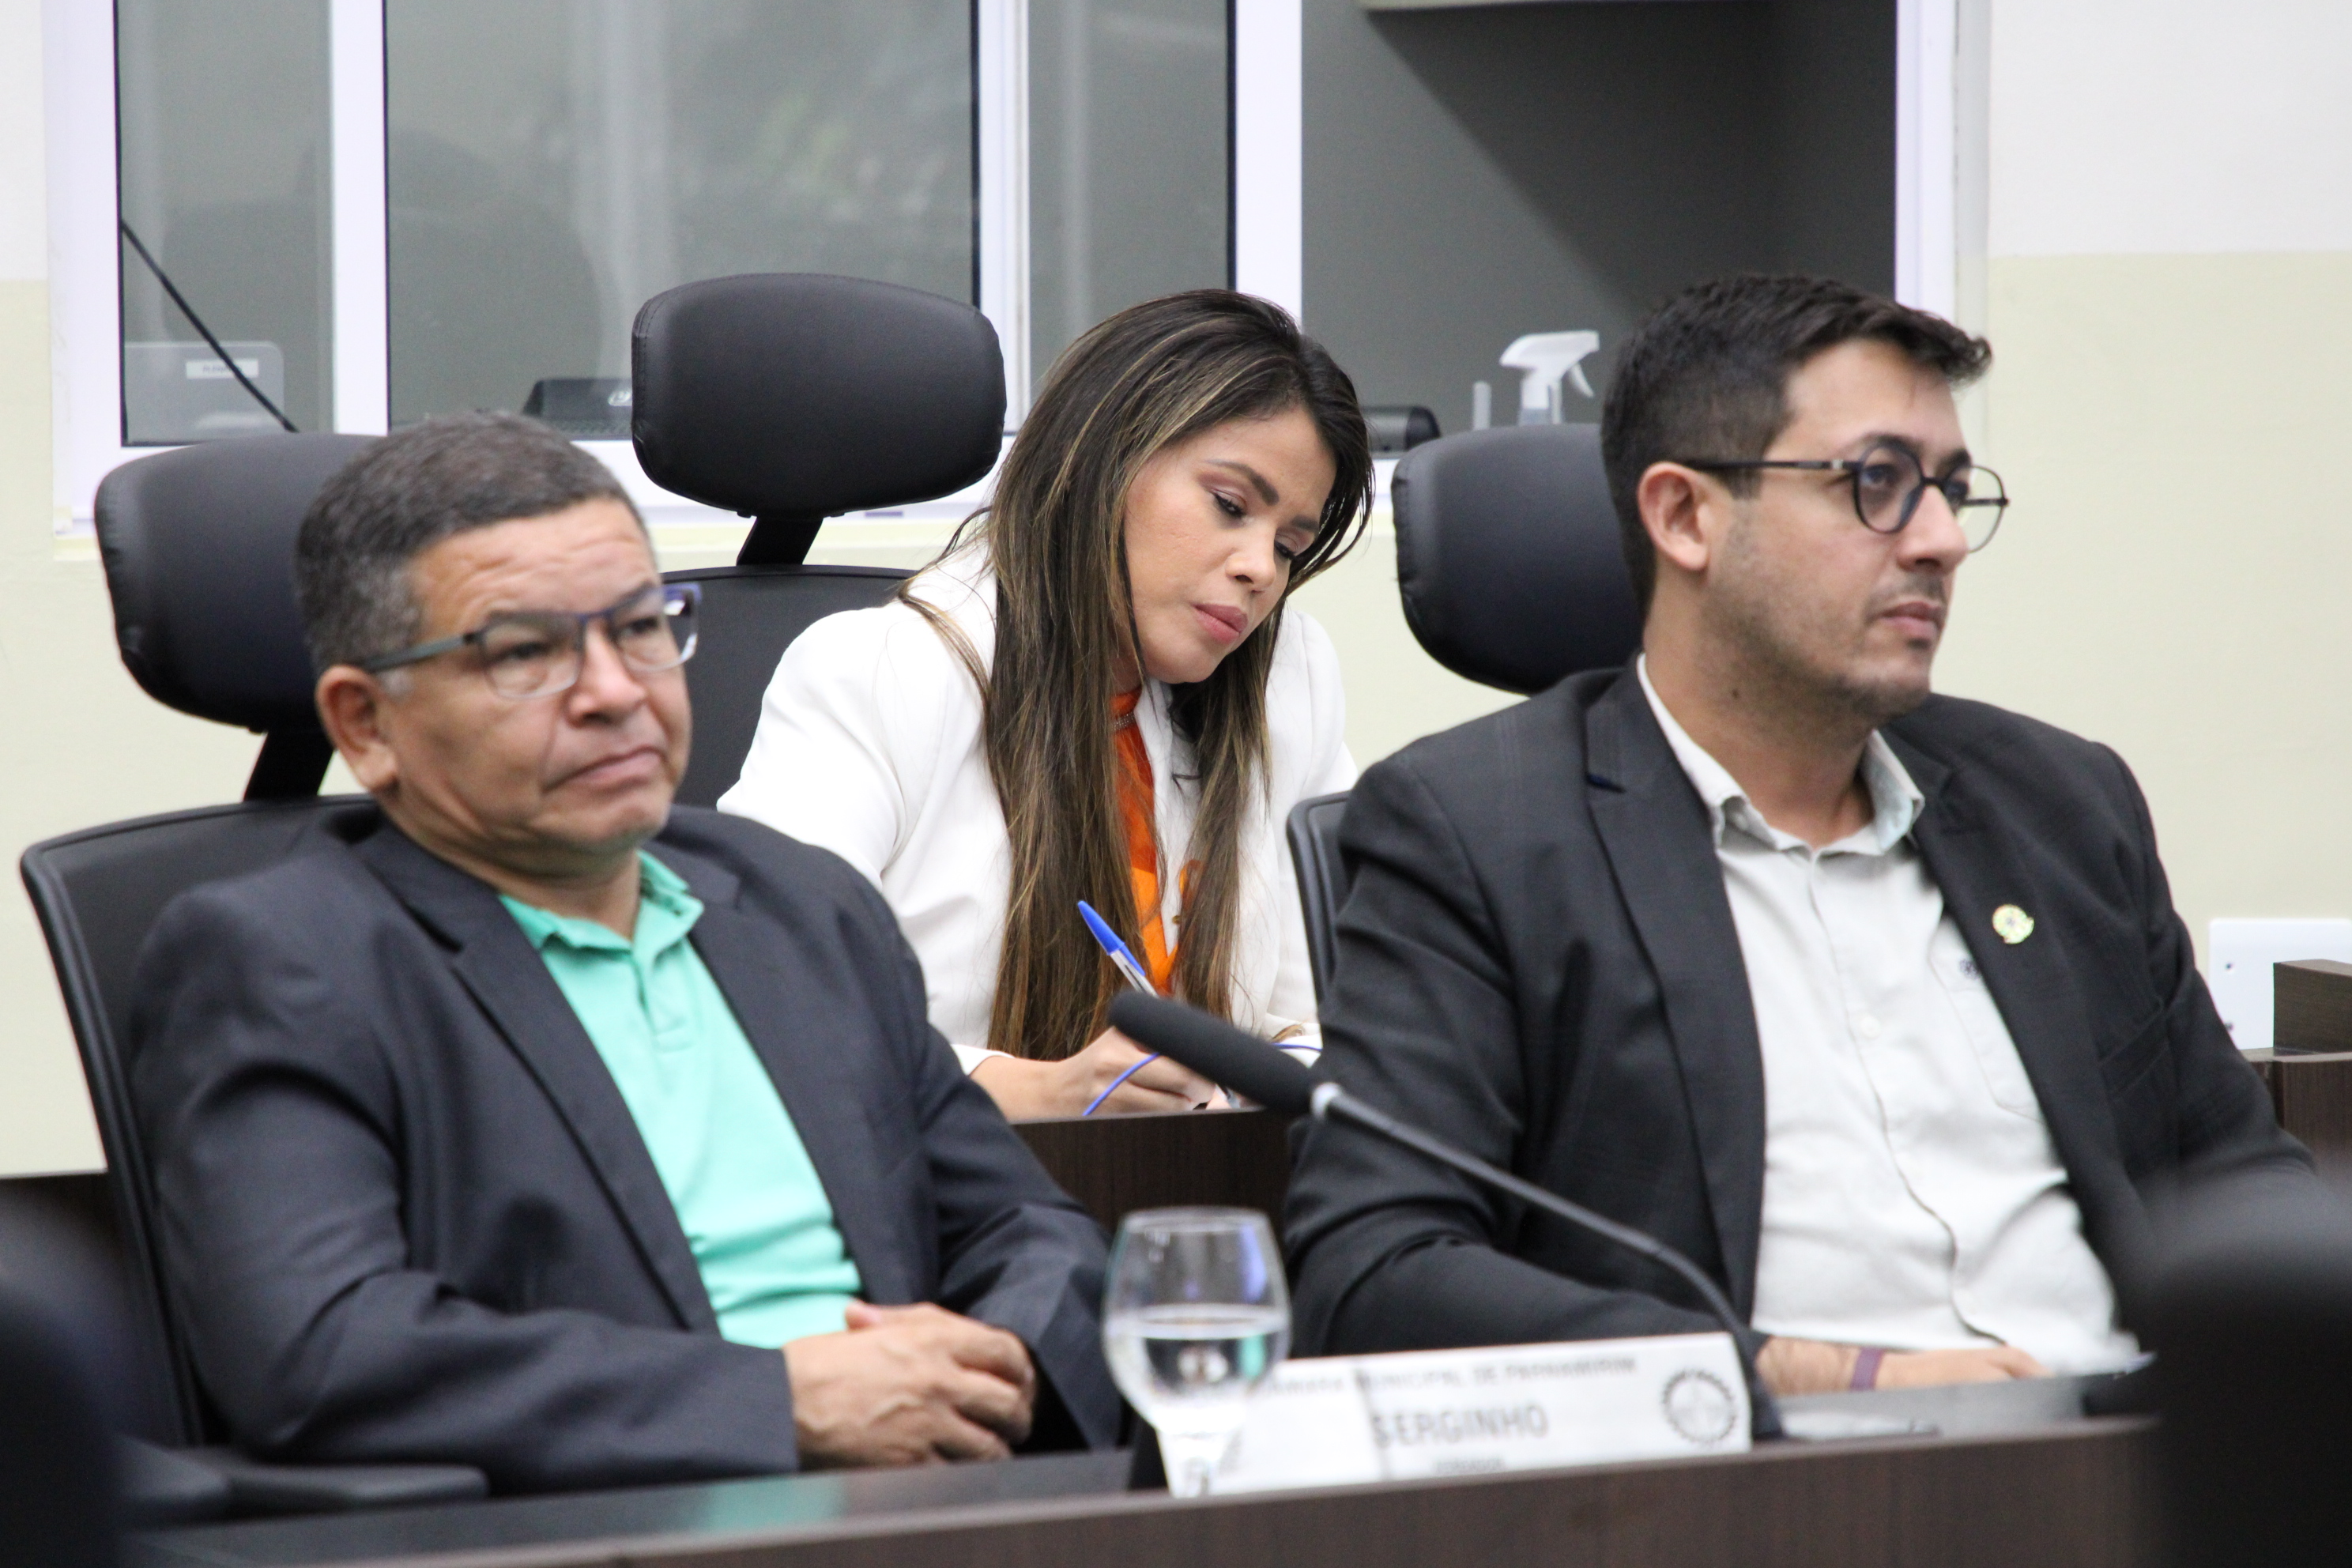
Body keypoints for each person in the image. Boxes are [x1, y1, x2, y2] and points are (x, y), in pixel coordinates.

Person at [1283, 274, 2315, 1395]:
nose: (1941, 541)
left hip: (2138, 1452)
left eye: (1950, 489)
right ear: (1686, 517)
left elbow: (2246, 1187)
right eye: (1878, 483)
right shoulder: (1478, 831)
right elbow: (1373, 1273)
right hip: (1777, 1470)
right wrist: (1824, 1376)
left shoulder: (2062, 805)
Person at [130, 413, 1118, 1492]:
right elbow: (325, 1350)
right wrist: (778, 1404)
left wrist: (992, 1366)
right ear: (366, 724)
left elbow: (1026, 1227)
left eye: (641, 626)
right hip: (606, 1524)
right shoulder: (281, 961)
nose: (614, 691)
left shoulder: (799, 905)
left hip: (942, 1496)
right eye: (525, 652)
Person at [721, 291, 1374, 1118]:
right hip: (953, 1180)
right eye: (1230, 506)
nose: (1260, 569)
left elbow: (1335, 1007)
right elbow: (773, 1009)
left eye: (1289, 545)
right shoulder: (874, 674)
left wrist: (1282, 1075)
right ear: (1106, 457)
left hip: (1215, 1181)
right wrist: (1043, 1092)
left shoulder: (1288, 680)